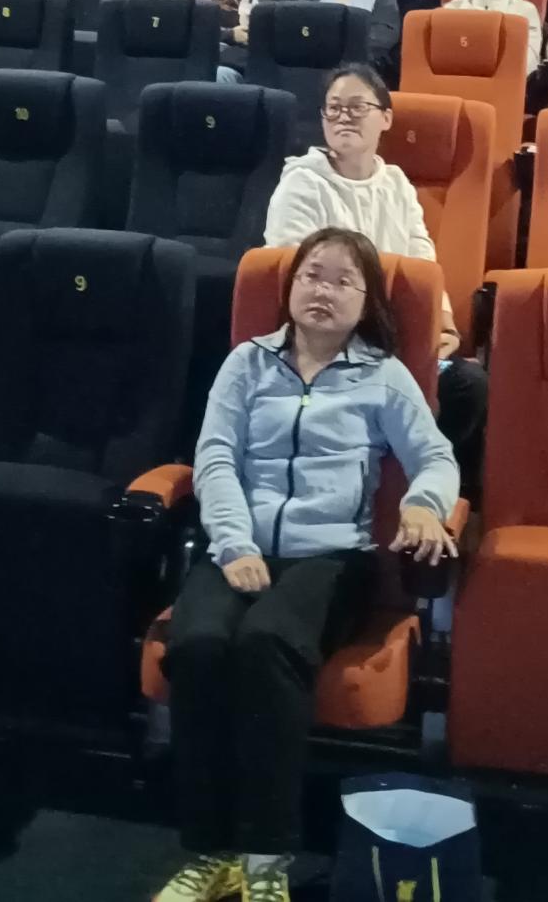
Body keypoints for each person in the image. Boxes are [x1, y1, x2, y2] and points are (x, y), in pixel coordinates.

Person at [156, 225, 457, 902]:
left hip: (333, 557)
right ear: (290, 287)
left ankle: (265, 860)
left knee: (268, 640)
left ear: (367, 302)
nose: (324, 290)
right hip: (239, 548)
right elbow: (215, 457)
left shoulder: (383, 376)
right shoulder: (247, 363)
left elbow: (435, 457)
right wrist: (235, 544)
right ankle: (210, 851)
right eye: (312, 275)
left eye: (344, 281)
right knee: (199, 645)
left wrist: (422, 506)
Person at [266, 64, 488, 437]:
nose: (343, 117)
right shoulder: (302, 183)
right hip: (328, 342)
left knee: (469, 385)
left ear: (386, 118)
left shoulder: (396, 184)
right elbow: (295, 276)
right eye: (334, 108)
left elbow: (422, 258)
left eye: (357, 107)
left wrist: (442, 323)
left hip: (398, 335)